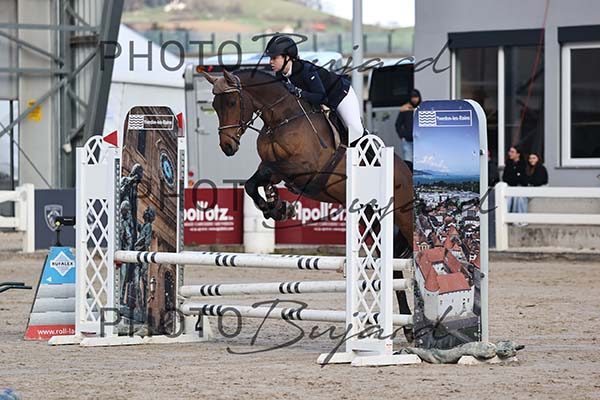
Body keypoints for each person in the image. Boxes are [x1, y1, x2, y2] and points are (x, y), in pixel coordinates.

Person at [265, 35, 365, 146]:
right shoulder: (280, 75)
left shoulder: (306, 70)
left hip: (340, 95)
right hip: (321, 104)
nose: (270, 62)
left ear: (287, 57)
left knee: (355, 130)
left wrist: (299, 93)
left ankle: (372, 153)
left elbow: (321, 97)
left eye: (274, 58)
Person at [395, 89, 422, 162]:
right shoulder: (405, 109)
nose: (414, 99)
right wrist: (402, 135)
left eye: (416, 97)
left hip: (420, 140)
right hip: (407, 140)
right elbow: (398, 124)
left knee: (419, 161)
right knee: (408, 161)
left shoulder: (422, 108)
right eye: (412, 97)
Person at [502, 146, 528, 221]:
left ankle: (520, 220)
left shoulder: (523, 164)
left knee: (519, 198)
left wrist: (516, 177)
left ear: (518, 154)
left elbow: (523, 179)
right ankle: (506, 219)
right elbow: (505, 178)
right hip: (510, 187)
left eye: (512, 152)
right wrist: (516, 177)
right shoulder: (508, 164)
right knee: (507, 200)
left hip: (520, 188)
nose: (510, 153)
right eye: (509, 151)